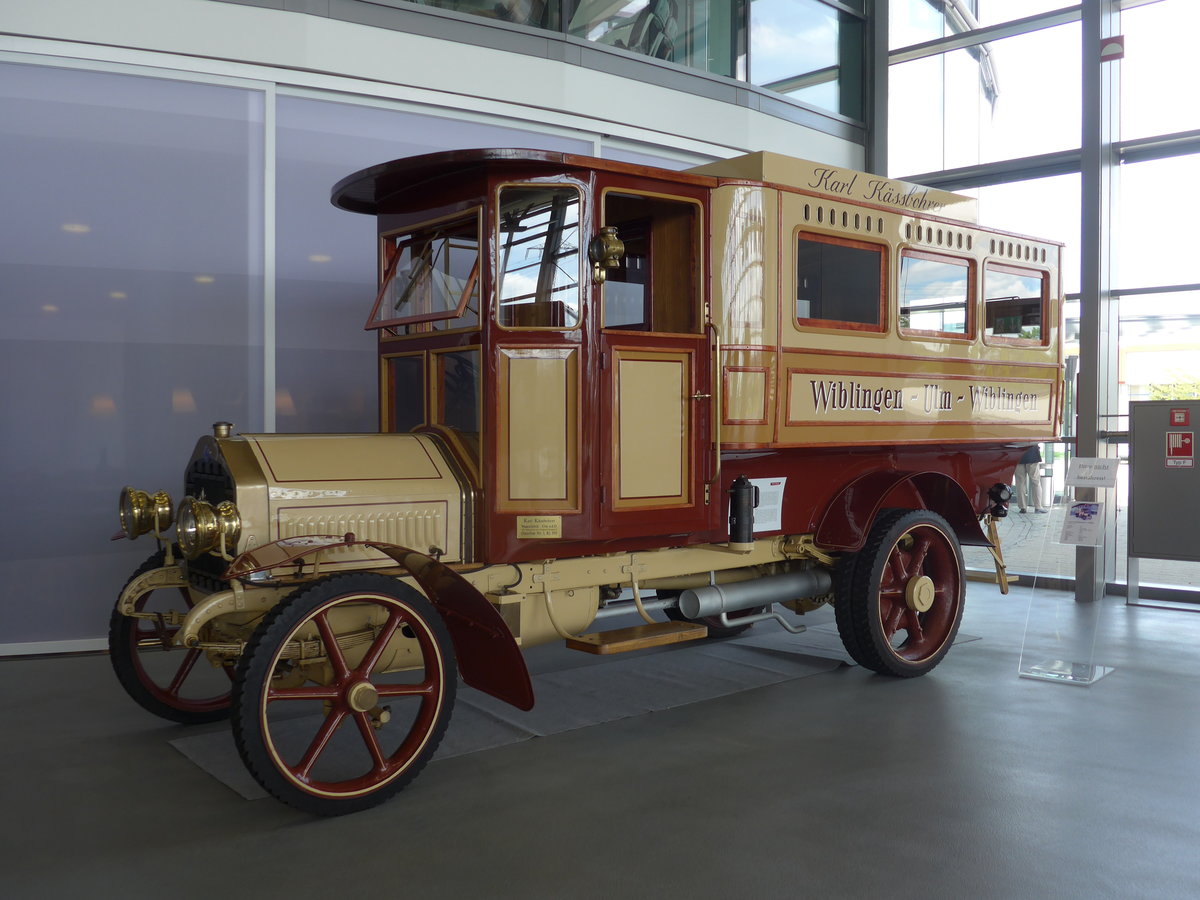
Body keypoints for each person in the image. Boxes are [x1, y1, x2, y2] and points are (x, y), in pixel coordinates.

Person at [1014, 444, 1046, 513]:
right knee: (1035, 481)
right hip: (1032, 454)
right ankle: (1038, 507)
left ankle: (1023, 507)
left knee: (1020, 482)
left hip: (1018, 454)